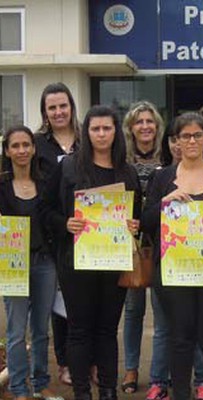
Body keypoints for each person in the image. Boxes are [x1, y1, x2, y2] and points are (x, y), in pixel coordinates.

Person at [41, 105, 143, 400]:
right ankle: (83, 392)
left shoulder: (127, 171)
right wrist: (65, 222)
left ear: (116, 132)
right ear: (86, 132)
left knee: (108, 329)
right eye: (95, 128)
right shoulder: (69, 167)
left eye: (107, 128)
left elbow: (135, 218)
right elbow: (45, 210)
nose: (101, 134)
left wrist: (134, 225)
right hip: (76, 263)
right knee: (79, 329)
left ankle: (108, 390)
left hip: (114, 262)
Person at [141, 112, 203, 400]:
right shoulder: (162, 178)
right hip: (174, 274)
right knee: (181, 341)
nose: (192, 140)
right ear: (176, 141)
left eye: (197, 135)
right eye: (185, 136)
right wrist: (164, 202)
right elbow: (146, 222)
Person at [1, 126, 63, 400]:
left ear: (34, 148)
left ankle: (40, 383)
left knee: (41, 328)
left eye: (26, 144)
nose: (22, 150)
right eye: (15, 146)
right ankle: (18, 388)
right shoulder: (1, 186)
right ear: (7, 151)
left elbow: (54, 217)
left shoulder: (46, 182)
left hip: (44, 261)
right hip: (13, 263)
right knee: (16, 332)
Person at [34, 82, 81, 387]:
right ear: (45, 113)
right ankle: (65, 362)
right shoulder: (37, 144)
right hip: (52, 233)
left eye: (63, 105)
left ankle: (86, 360)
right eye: (52, 107)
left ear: (71, 107)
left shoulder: (86, 140)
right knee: (60, 305)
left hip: (89, 234)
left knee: (84, 302)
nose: (58, 112)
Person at [120, 101, 164, 395]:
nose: (145, 126)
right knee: (133, 310)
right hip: (131, 243)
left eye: (150, 121)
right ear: (130, 128)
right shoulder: (120, 161)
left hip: (164, 241)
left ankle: (162, 373)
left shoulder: (171, 156)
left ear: (157, 127)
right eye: (139, 122)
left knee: (163, 313)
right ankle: (131, 368)